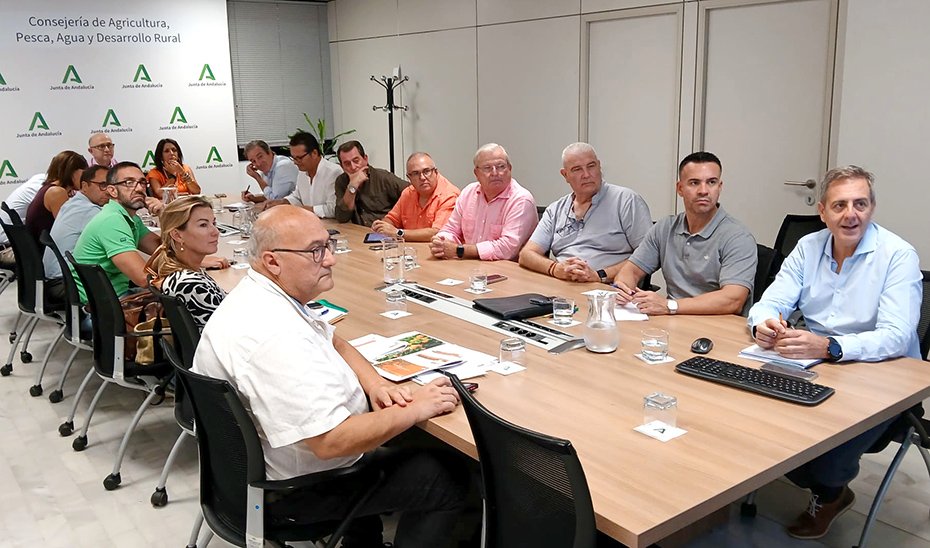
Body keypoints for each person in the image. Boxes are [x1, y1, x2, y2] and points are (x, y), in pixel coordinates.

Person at [193, 205, 470, 547]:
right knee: (447, 477)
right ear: (273, 261)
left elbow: (333, 339)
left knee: (408, 437)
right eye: (315, 251)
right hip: (295, 493)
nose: (330, 259)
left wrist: (375, 383)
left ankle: (361, 540)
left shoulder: (263, 295)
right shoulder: (275, 336)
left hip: (252, 477)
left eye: (329, 245)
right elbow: (330, 442)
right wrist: (415, 408)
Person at [747, 165, 921, 539]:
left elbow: (896, 335)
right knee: (754, 425)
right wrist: (764, 324)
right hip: (814, 363)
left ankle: (831, 494)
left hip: (882, 379)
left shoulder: (897, 256)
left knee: (825, 461)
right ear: (822, 211)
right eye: (840, 205)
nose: (851, 214)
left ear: (872, 207)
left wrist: (831, 347)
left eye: (860, 203)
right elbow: (769, 302)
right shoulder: (807, 247)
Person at [613, 151, 756, 316]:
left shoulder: (737, 237)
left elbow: (733, 300)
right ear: (680, 189)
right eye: (694, 183)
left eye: (711, 182)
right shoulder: (665, 227)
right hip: (673, 321)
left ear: (720, 187)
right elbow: (631, 270)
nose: (703, 190)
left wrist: (670, 306)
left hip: (718, 327)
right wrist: (623, 287)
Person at [70, 162, 222, 304]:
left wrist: (164, 214)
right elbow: (143, 278)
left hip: (116, 295)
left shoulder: (130, 217)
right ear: (112, 191)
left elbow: (162, 247)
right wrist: (191, 274)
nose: (138, 188)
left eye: (142, 182)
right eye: (128, 183)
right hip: (107, 307)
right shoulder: (111, 221)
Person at [519, 142, 652, 282]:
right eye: (577, 169)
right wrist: (555, 269)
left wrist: (599, 275)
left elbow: (648, 255)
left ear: (599, 166)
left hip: (607, 288)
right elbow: (526, 255)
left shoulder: (626, 201)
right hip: (561, 285)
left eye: (591, 166)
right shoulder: (556, 209)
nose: (587, 175)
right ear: (565, 175)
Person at [430, 143, 537, 261]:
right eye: (487, 168)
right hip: (471, 266)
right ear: (476, 173)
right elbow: (451, 229)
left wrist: (459, 250)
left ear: (510, 168)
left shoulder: (521, 200)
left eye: (501, 166)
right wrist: (441, 241)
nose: (495, 173)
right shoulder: (468, 192)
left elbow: (507, 249)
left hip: (506, 272)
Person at [145, 196, 228, 328]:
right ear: (177, 235)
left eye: (214, 223)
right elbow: (230, 329)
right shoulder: (190, 284)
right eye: (203, 225)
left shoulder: (186, 270)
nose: (215, 232)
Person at [42, 165, 112, 301]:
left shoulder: (73, 203)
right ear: (85, 186)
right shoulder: (90, 211)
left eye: (111, 186)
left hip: (53, 279)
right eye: (102, 185)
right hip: (65, 283)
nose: (108, 191)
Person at [371, 152, 460, 242]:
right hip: (409, 249)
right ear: (409, 177)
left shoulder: (449, 195)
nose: (422, 177)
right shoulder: (408, 193)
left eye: (426, 171)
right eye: (416, 173)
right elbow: (392, 219)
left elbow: (438, 233)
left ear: (435, 172)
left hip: (436, 251)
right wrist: (382, 226)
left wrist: (398, 233)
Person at [0, 152, 69, 267]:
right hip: (11, 245)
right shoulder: (51, 191)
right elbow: (65, 224)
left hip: (15, 239)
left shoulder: (40, 179)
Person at [258, 131, 340, 218]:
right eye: (293, 158)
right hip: (307, 222)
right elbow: (297, 197)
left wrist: (304, 210)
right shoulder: (302, 172)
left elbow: (334, 209)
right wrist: (282, 202)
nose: (295, 162)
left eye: (299, 158)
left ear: (314, 153)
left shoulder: (333, 172)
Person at [333, 140, 407, 226]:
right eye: (347, 164)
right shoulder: (341, 181)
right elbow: (342, 217)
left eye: (356, 161)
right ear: (342, 166)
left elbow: (412, 193)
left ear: (365, 159)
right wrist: (352, 186)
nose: (353, 167)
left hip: (385, 232)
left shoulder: (383, 177)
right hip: (360, 232)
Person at [25, 151, 87, 243]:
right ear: (71, 171)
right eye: (84, 173)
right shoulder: (57, 192)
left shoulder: (49, 188)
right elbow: (70, 229)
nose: (85, 178)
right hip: (47, 251)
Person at [240, 140, 298, 204]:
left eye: (260, 157)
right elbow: (269, 194)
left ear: (269, 152)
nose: (258, 164)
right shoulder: (267, 170)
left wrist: (257, 177)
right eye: (253, 161)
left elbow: (275, 200)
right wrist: (254, 198)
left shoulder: (283, 166)